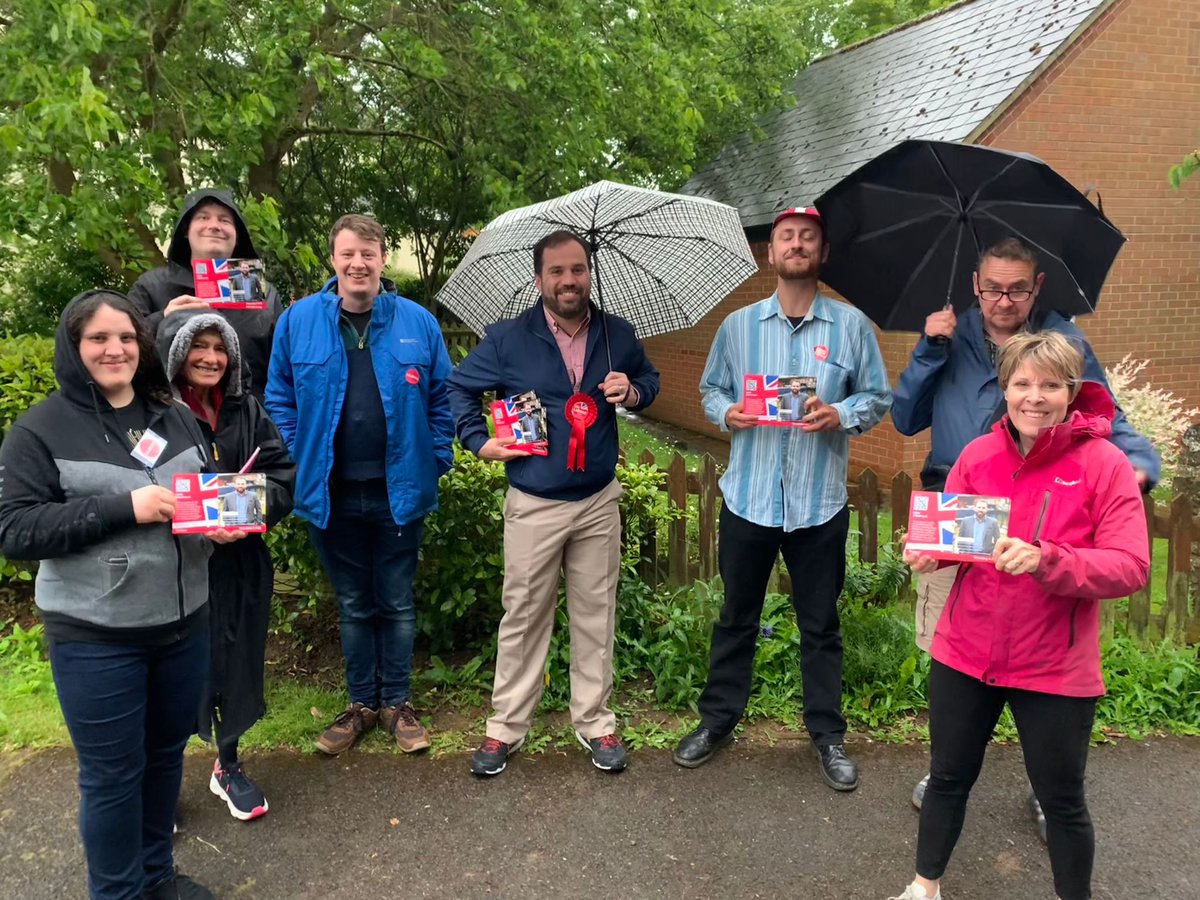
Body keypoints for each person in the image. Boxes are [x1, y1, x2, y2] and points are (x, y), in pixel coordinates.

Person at [891, 236, 1159, 822]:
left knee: (1045, 656)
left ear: (1036, 287)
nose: (1003, 300)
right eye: (993, 288)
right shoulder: (949, 333)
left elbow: (1106, 413)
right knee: (952, 647)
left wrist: (1141, 464)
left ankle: (1048, 779)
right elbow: (906, 418)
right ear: (975, 287)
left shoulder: (1062, 341)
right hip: (961, 507)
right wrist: (930, 348)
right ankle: (949, 767)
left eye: (1016, 288)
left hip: (1045, 515)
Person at [0, 291, 245, 900]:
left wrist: (214, 523)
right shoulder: (40, 430)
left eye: (128, 338)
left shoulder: (172, 414)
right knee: (112, 777)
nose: (115, 349)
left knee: (165, 758)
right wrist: (122, 508)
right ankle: (117, 893)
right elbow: (16, 530)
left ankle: (156, 878)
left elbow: (193, 499)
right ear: (74, 347)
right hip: (96, 637)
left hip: (183, 622)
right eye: (99, 339)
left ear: (144, 346)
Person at [672, 206, 892, 790]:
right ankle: (717, 721)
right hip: (748, 499)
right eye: (786, 237)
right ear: (770, 253)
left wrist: (839, 412)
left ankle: (827, 735)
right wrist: (729, 412)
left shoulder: (851, 328)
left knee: (820, 625)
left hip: (819, 505)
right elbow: (711, 390)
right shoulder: (737, 327)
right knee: (736, 617)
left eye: (808, 237)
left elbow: (877, 396)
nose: (796, 245)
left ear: (822, 251)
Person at [448, 229, 660, 776]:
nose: (569, 281)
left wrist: (631, 392)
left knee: (596, 613)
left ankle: (595, 722)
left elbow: (650, 380)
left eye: (578, 269)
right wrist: (478, 440)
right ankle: (505, 728)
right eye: (557, 272)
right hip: (533, 500)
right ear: (539, 278)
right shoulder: (506, 338)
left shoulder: (618, 334)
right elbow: (457, 388)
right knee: (523, 615)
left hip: (596, 500)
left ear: (590, 272)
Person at [266, 214, 454, 755]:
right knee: (352, 603)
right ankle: (361, 706)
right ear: (334, 259)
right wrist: (299, 457)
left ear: (381, 259)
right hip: (333, 494)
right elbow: (278, 396)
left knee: (395, 602)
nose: (358, 264)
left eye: (368, 254)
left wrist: (435, 456)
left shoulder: (418, 323)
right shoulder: (298, 322)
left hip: (400, 492)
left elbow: (442, 398)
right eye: (348, 253)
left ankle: (397, 703)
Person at [158, 311, 295, 820]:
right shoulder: (152, 415)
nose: (211, 358)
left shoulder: (247, 410)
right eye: (200, 347)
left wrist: (253, 512)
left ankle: (228, 764)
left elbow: (281, 474)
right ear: (176, 353)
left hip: (239, 562)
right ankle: (163, 782)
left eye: (220, 348)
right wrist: (184, 519)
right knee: (174, 672)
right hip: (174, 568)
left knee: (235, 663)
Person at [129, 189, 283, 399]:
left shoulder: (264, 293)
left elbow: (283, 369)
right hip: (170, 421)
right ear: (186, 230)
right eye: (203, 217)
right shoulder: (151, 286)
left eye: (224, 220)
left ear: (237, 236)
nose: (214, 225)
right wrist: (161, 318)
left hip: (246, 422)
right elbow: (122, 347)